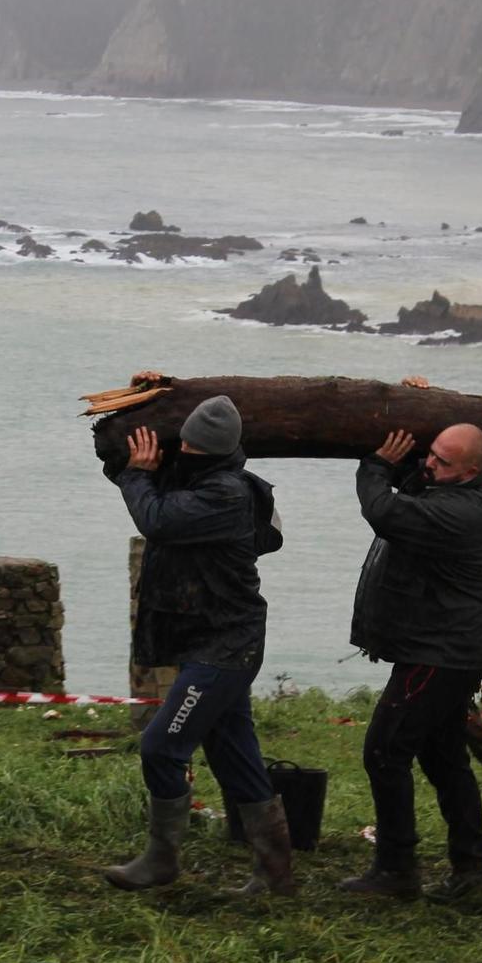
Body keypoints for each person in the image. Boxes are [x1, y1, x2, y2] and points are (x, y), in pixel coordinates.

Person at [103, 381, 295, 897]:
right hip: (217, 643)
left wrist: (135, 476)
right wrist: (125, 454)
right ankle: (276, 873)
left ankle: (161, 860)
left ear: (212, 453)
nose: (181, 451)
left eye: (190, 447)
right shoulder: (202, 479)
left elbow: (158, 520)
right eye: (180, 443)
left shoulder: (227, 494)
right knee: (236, 755)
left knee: (162, 748)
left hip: (225, 649)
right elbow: (149, 483)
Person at [340, 386, 482, 902]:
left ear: (469, 472)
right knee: (443, 761)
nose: (428, 463)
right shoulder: (461, 487)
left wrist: (374, 466)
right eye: (430, 452)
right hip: (448, 649)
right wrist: (419, 402)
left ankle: (396, 869)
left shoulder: (460, 514)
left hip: (439, 653)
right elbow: (428, 472)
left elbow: (384, 512)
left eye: (440, 460)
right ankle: (474, 870)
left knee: (385, 752)